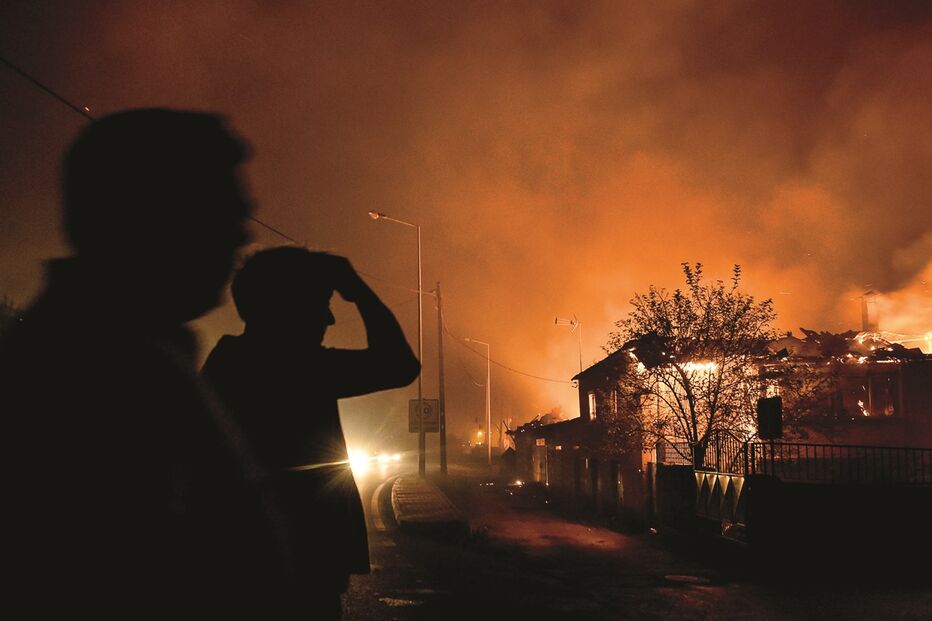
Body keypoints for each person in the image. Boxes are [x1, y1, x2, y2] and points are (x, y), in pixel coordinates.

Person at [0, 109, 290, 616]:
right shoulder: (93, 379)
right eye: (225, 213)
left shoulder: (128, 353)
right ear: (153, 216)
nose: (244, 236)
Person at [201, 246, 420, 619]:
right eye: (321, 302)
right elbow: (399, 365)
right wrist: (356, 289)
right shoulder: (297, 369)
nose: (330, 318)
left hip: (252, 570)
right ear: (290, 308)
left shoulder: (228, 365)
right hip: (294, 573)